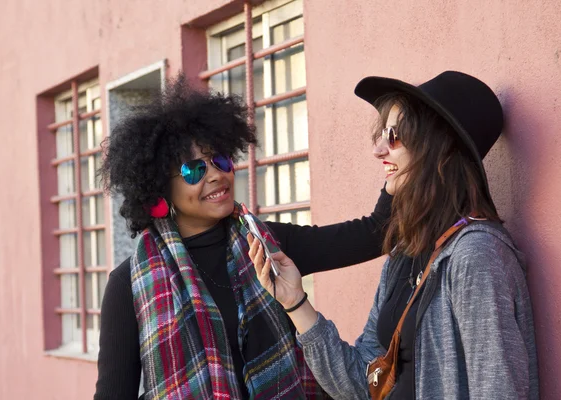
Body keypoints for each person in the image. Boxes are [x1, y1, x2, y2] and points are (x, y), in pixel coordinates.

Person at [93, 73, 393, 399]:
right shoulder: (129, 285)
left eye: (219, 160)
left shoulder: (268, 247)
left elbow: (373, 233)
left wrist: (400, 157)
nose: (216, 175)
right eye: (194, 170)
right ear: (160, 189)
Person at [248, 71, 539, 399]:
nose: (378, 149)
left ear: (438, 149)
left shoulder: (476, 255)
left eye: (395, 136)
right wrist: (295, 302)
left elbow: (499, 390)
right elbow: (362, 383)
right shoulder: (407, 251)